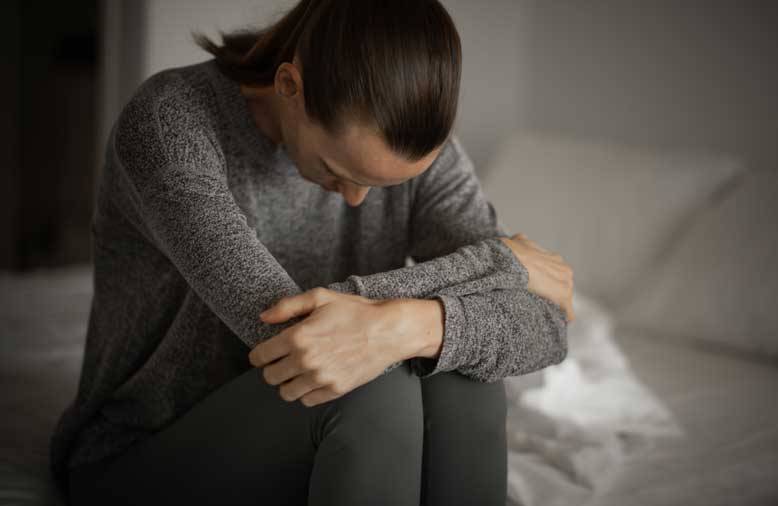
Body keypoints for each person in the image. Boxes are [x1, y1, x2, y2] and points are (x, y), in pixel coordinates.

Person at [49, 0, 575, 505]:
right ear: (289, 85)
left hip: (314, 450)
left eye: (382, 186)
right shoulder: (171, 126)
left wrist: (418, 325)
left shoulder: (413, 151)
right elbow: (300, 340)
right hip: (139, 458)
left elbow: (548, 324)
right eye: (337, 171)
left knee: (463, 365)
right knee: (370, 385)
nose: (355, 199)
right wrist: (497, 263)